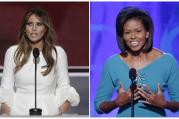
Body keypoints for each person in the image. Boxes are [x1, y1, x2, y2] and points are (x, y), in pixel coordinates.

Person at [94, 6, 179, 117]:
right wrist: (117, 102)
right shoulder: (112, 63)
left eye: (138, 31)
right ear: (122, 36)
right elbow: (99, 106)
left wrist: (164, 104)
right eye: (127, 32)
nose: (133, 37)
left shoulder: (167, 61)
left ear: (147, 33)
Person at [0, 7, 80, 116]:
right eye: (29, 24)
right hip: (18, 113)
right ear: (24, 28)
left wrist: (62, 107)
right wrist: (8, 112)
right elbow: (6, 87)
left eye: (39, 24)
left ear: (45, 28)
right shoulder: (13, 52)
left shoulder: (58, 53)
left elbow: (63, 85)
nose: (34, 28)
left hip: (49, 112)